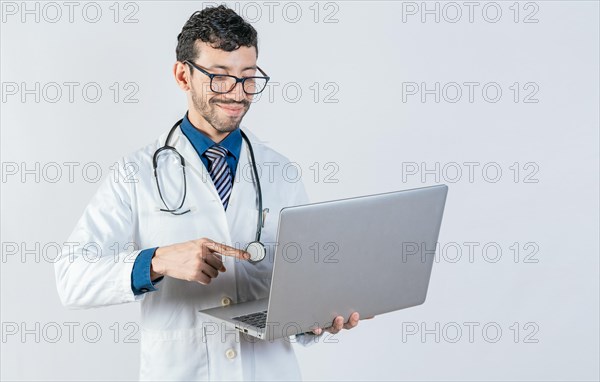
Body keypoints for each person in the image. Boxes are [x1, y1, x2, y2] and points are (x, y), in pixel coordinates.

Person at [55, 5, 362, 381]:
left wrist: (316, 318)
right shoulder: (135, 173)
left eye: (248, 78)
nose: (237, 93)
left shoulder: (280, 171)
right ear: (183, 75)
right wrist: (157, 261)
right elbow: (71, 276)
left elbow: (300, 284)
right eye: (220, 77)